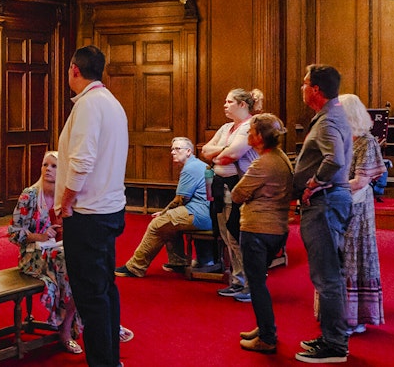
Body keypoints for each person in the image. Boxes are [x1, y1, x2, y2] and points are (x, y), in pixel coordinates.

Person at [9, 152, 135, 354]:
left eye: (54, 166)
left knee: (83, 262)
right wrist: (39, 236)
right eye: (45, 165)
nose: (48, 169)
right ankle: (72, 328)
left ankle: (101, 322)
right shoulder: (29, 195)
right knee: (74, 265)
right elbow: (14, 234)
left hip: (58, 252)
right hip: (32, 256)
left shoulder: (67, 197)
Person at [55, 45, 128, 367]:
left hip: (88, 214)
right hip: (109, 208)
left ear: (74, 69)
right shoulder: (112, 103)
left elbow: (81, 162)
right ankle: (110, 358)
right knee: (106, 290)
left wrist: (65, 203)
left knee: (91, 297)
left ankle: (103, 362)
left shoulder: (88, 106)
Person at [293, 64, 353, 364]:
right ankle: (333, 335)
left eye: (305, 83)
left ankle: (334, 346)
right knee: (332, 274)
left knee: (327, 277)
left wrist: (313, 183)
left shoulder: (328, 120)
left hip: (325, 203)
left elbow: (334, 159)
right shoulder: (333, 114)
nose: (302, 88)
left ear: (315, 89)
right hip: (332, 201)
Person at [232, 113, 294, 354]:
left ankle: (267, 337)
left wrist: (250, 195)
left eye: (250, 131)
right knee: (260, 281)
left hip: (258, 228)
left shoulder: (262, 162)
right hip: (277, 228)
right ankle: (264, 327)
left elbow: (238, 194)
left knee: (256, 284)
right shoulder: (281, 158)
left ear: (258, 136)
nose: (247, 134)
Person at [115, 137, 213, 278]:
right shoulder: (199, 165)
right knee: (169, 222)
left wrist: (165, 212)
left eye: (177, 149)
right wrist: (168, 212)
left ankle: (135, 267)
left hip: (200, 214)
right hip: (208, 212)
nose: (173, 152)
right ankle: (178, 263)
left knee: (158, 224)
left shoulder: (190, 168)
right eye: (172, 149)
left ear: (188, 151)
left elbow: (180, 199)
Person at [200, 88, 264, 302]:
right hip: (220, 187)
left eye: (229, 102)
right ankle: (237, 280)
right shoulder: (227, 127)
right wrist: (223, 151)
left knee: (238, 237)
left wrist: (222, 152)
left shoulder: (250, 127)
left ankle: (250, 283)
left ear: (242, 105)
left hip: (239, 187)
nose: (225, 105)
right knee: (227, 236)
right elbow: (205, 150)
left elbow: (234, 154)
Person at [336, 94, 385, 335]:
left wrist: (331, 185)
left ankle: (356, 317)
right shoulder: (341, 137)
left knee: (354, 255)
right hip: (338, 203)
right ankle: (337, 312)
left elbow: (362, 180)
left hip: (357, 207)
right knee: (337, 256)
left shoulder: (366, 141)